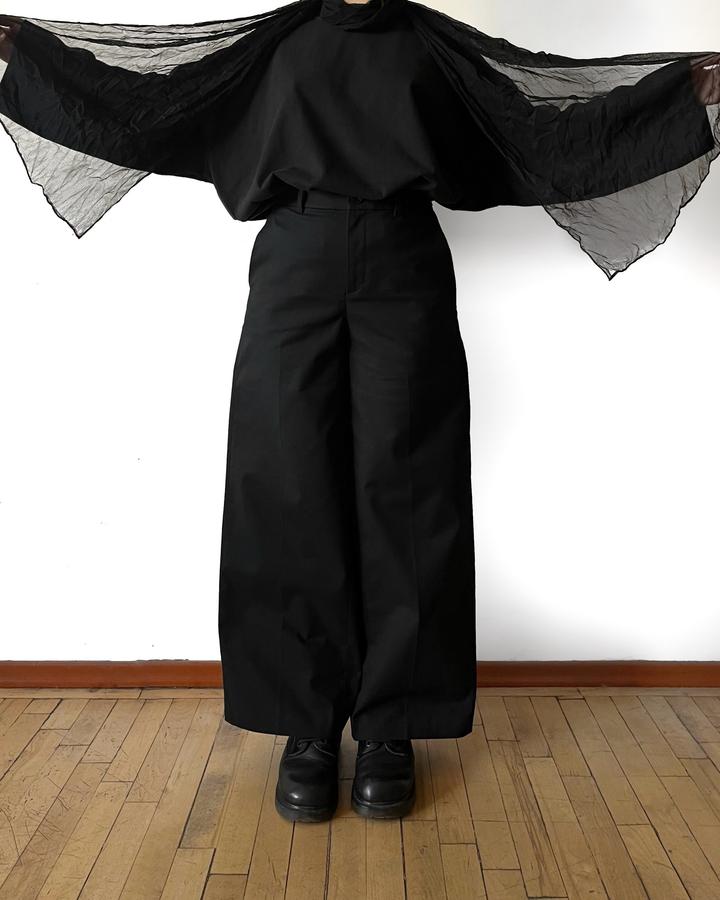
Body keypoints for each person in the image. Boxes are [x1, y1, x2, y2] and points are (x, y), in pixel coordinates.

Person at [1, 0, 719, 824]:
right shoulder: (274, 45)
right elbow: (149, 103)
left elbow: (541, 132)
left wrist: (680, 97)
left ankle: (391, 726)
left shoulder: (431, 46)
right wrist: (31, 55)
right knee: (285, 483)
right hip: (293, 261)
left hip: (403, 260)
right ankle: (306, 723)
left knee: (409, 486)